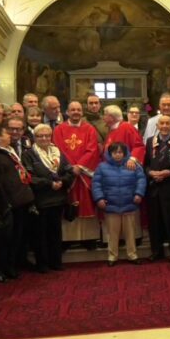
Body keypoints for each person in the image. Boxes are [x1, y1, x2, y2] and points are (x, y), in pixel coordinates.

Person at [22, 124, 75, 272]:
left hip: (58, 199)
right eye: (40, 136)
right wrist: (49, 183)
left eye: (47, 135)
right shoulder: (29, 154)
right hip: (41, 200)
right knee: (40, 234)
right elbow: (29, 176)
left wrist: (62, 182)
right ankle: (42, 264)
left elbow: (69, 171)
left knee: (55, 232)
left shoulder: (57, 152)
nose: (44, 138)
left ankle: (56, 262)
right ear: (35, 137)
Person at [0, 121, 35, 281]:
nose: (10, 135)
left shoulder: (9, 151)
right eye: (6, 133)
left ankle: (12, 265)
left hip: (20, 199)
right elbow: (1, 180)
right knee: (6, 238)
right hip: (9, 201)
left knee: (17, 236)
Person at [53, 101, 101, 247]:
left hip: (84, 174)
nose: (76, 112)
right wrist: (70, 167)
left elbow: (92, 149)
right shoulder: (59, 129)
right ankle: (68, 239)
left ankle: (88, 238)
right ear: (67, 112)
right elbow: (58, 149)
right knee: (68, 203)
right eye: (73, 109)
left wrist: (79, 166)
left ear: (82, 112)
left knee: (86, 204)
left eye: (78, 110)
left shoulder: (90, 129)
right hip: (67, 173)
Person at [92, 142, 146, 266]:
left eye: (120, 152)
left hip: (129, 203)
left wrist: (139, 194)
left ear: (125, 153)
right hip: (110, 205)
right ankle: (112, 256)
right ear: (109, 154)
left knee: (130, 232)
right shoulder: (102, 167)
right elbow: (96, 184)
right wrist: (99, 198)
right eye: (115, 152)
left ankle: (132, 255)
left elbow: (141, 180)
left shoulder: (132, 165)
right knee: (112, 233)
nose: (118, 155)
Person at [144, 115, 170, 262]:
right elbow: (145, 164)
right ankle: (156, 251)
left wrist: (169, 173)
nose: (165, 126)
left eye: (168, 123)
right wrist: (150, 173)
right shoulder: (150, 142)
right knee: (154, 222)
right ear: (157, 126)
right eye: (162, 123)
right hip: (154, 187)